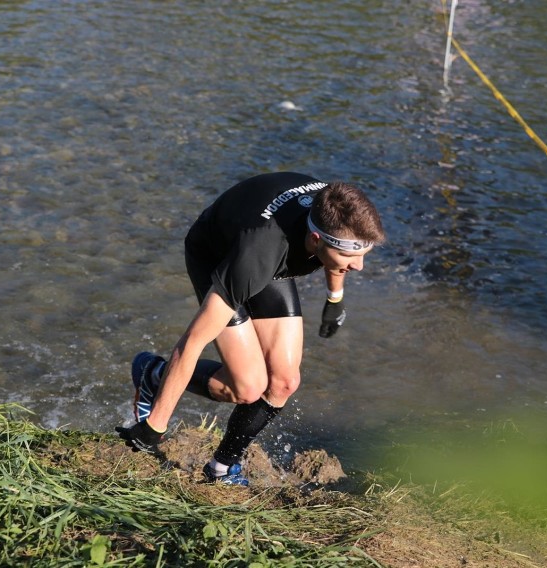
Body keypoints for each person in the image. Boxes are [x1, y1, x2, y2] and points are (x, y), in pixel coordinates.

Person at [116, 171, 385, 485]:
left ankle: (221, 467)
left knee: (284, 381)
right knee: (247, 387)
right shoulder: (258, 255)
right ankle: (152, 373)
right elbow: (192, 342)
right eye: (350, 256)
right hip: (218, 257)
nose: (358, 266)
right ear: (315, 239)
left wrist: (334, 298)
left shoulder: (335, 209)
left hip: (265, 252)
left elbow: (338, 255)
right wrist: (155, 426)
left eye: (363, 255)